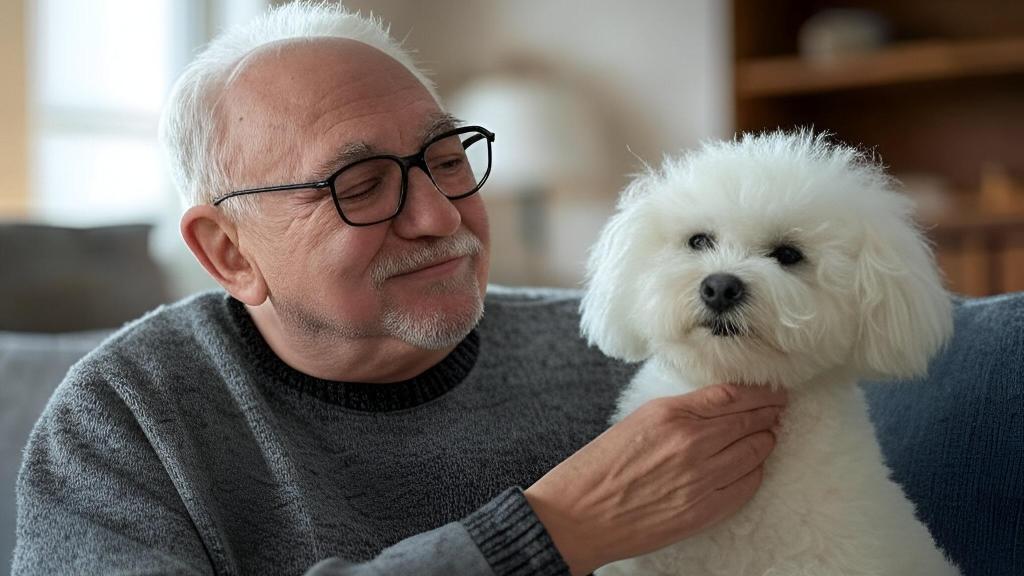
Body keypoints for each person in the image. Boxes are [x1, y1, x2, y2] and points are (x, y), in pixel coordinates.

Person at [13, 3, 787, 575]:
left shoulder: (637, 353)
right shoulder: (123, 416)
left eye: (447, 159)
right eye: (361, 184)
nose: (438, 214)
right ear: (228, 253)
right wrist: (550, 532)